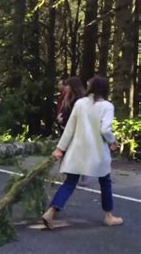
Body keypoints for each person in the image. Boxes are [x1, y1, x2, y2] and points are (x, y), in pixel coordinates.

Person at [41, 77, 123, 229]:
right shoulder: (107, 106)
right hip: (97, 153)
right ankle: (108, 216)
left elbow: (69, 129)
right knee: (105, 182)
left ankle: (51, 212)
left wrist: (60, 148)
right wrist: (113, 141)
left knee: (70, 183)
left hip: (76, 151)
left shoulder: (80, 103)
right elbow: (105, 129)